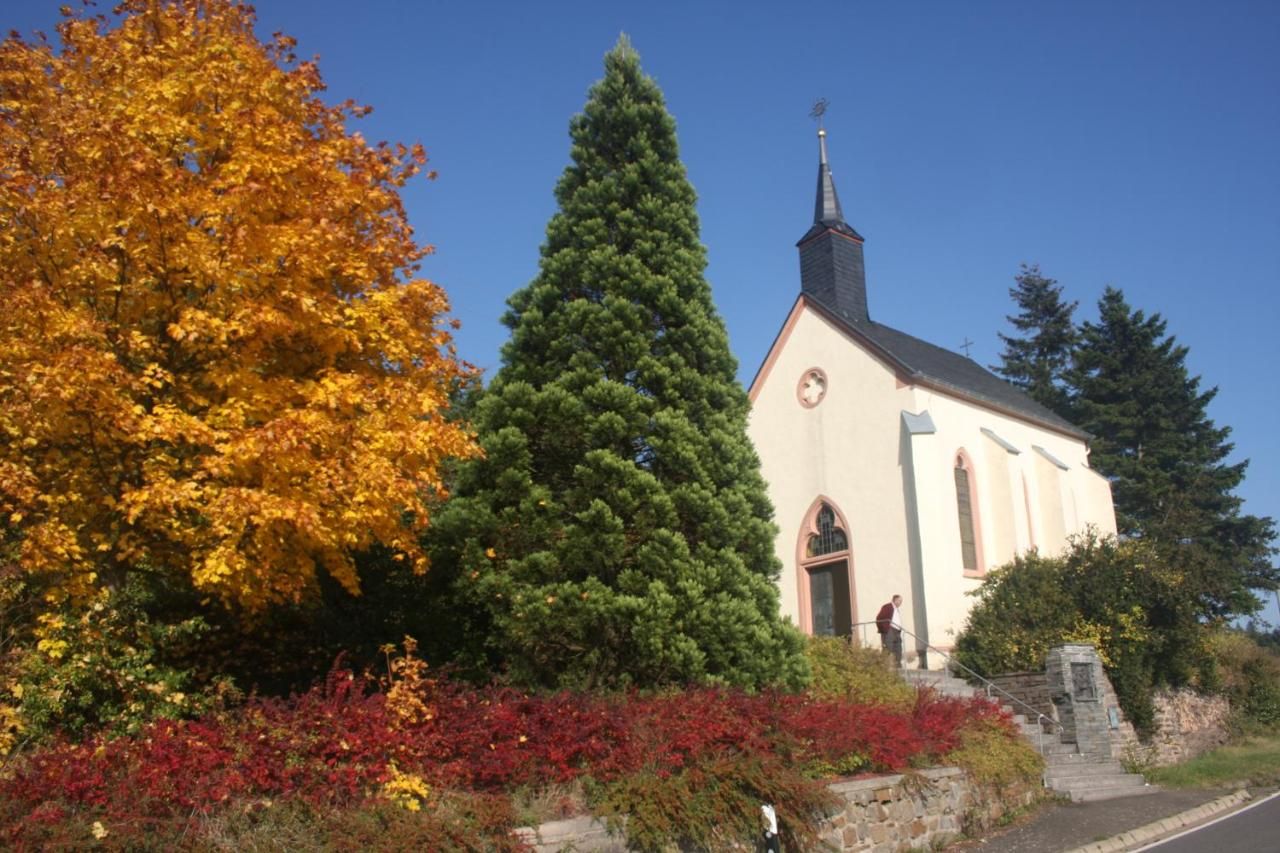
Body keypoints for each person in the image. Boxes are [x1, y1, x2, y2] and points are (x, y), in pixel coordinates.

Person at [875, 595, 904, 667]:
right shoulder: (888, 607)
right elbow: (879, 618)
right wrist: (884, 630)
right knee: (888, 648)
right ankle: (883, 667)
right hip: (889, 630)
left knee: (898, 649)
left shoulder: (896, 609)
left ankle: (898, 666)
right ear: (895, 600)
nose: (901, 603)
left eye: (901, 601)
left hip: (897, 631)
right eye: (900, 601)